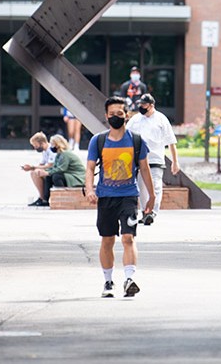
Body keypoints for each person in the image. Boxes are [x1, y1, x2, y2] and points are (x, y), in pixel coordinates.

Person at [85, 96, 155, 298]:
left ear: (127, 115)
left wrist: (152, 196)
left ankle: (129, 279)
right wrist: (90, 189)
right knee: (107, 240)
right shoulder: (98, 141)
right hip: (105, 197)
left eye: (120, 113)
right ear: (106, 116)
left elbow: (144, 168)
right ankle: (108, 282)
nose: (116, 117)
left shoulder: (136, 140)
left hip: (129, 196)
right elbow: (90, 168)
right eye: (112, 114)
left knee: (128, 237)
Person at [126, 93, 179, 225]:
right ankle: (145, 211)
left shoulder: (161, 119)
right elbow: (126, 136)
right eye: (140, 105)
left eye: (144, 105)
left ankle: (152, 212)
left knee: (155, 186)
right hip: (139, 159)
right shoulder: (135, 119)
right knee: (141, 187)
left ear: (151, 105)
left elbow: (171, 142)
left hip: (156, 159)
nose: (141, 107)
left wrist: (175, 162)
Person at [42, 134, 86, 202]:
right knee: (49, 176)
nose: (51, 146)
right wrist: (46, 172)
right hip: (69, 175)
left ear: (58, 144)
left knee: (57, 176)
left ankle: (63, 198)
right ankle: (45, 200)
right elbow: (55, 167)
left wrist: (47, 172)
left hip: (77, 177)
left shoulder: (65, 154)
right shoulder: (59, 154)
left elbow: (62, 169)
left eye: (53, 144)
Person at [22, 131, 56, 206]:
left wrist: (33, 167)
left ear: (42, 143)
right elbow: (41, 164)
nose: (35, 148)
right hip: (48, 171)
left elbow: (50, 165)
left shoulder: (51, 150)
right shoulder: (44, 152)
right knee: (33, 172)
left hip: (54, 172)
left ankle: (43, 198)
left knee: (37, 172)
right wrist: (30, 168)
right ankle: (41, 197)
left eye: (36, 146)